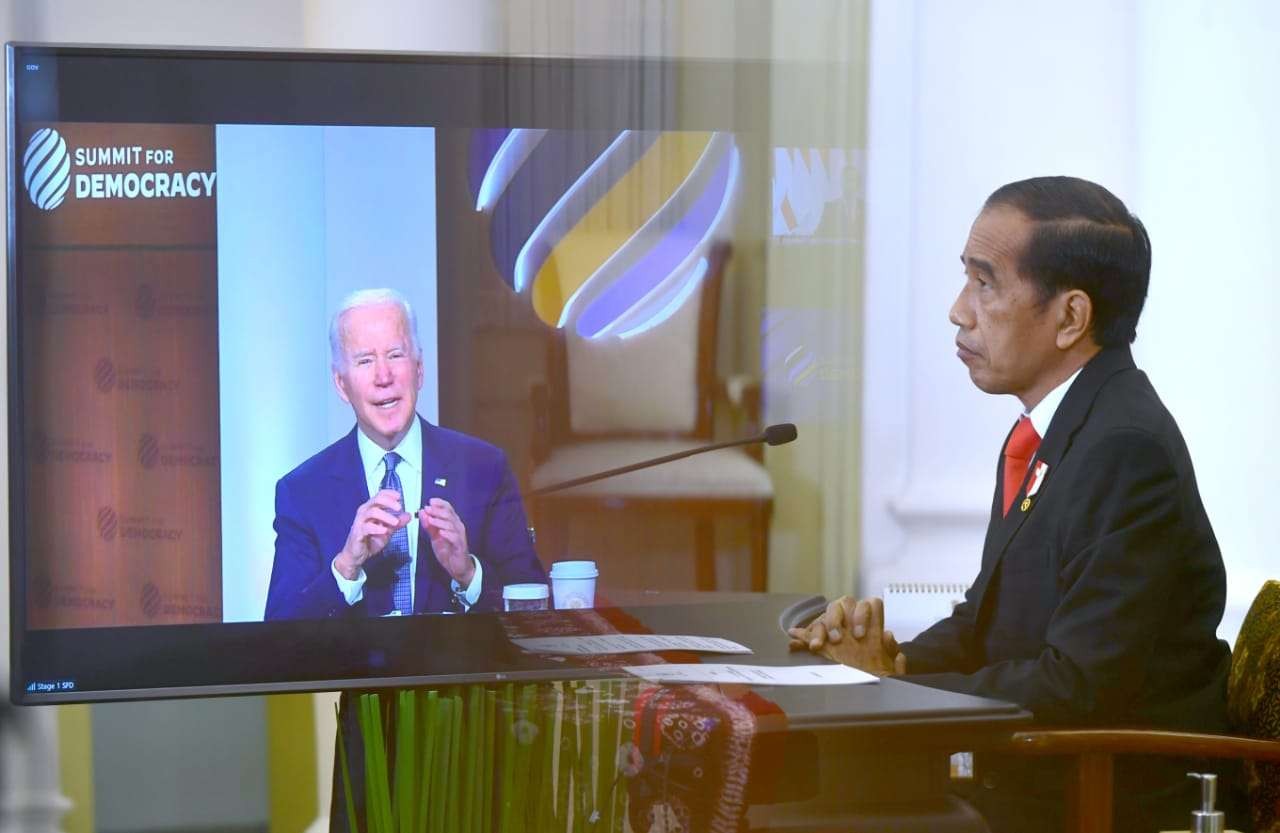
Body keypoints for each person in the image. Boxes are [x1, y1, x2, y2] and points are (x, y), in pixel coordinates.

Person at [790, 177, 1240, 832]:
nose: (958, 309)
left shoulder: (1126, 448)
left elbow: (1077, 687)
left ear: (1070, 318)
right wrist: (894, 657)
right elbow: (988, 618)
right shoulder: (1054, 427)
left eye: (986, 283)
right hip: (1038, 773)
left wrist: (890, 690)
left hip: (1101, 795)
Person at [264, 287, 546, 620]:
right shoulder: (302, 492)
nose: (384, 377)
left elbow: (535, 614)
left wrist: (468, 573)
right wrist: (346, 566)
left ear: (419, 369)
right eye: (365, 361)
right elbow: (279, 637)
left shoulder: (485, 469)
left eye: (395, 355)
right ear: (341, 385)